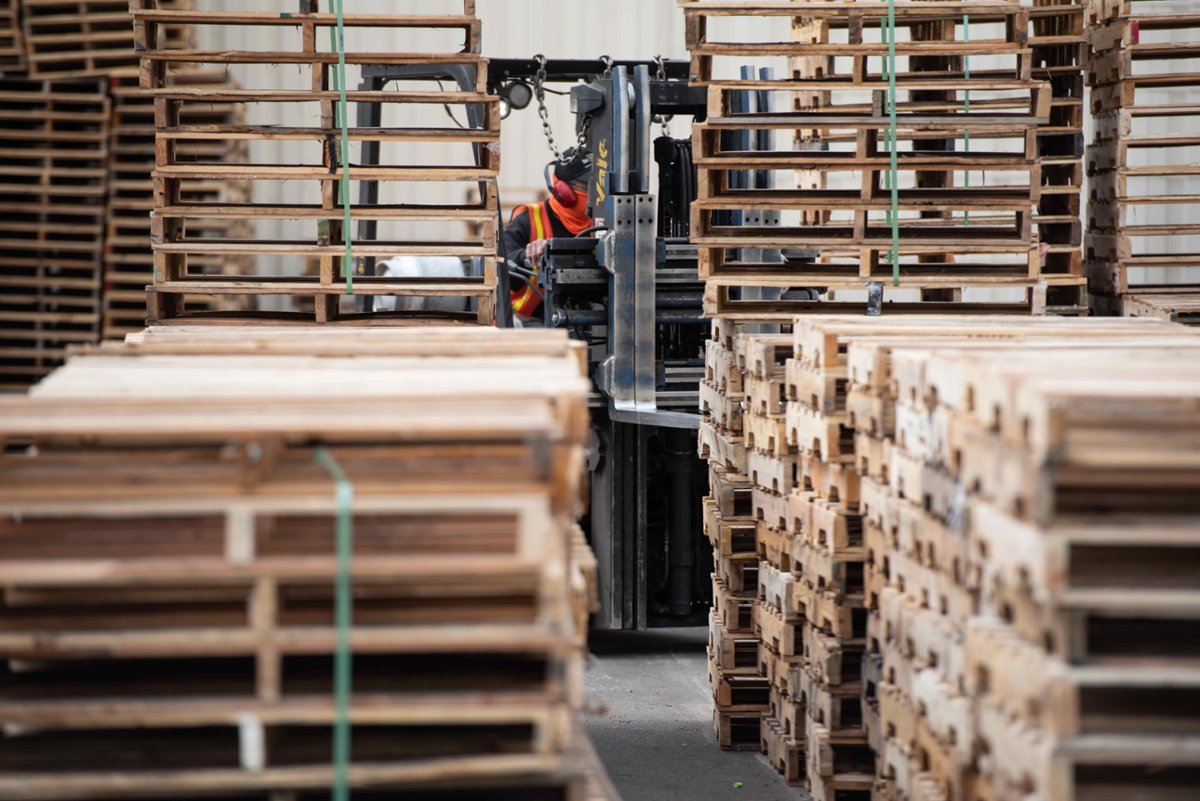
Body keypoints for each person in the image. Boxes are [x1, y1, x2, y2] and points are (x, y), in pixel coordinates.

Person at [502, 148, 594, 321]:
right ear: (562, 190)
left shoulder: (602, 222)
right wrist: (526, 257)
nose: (595, 194)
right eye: (587, 186)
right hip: (526, 319)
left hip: (585, 318)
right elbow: (502, 267)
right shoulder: (529, 217)